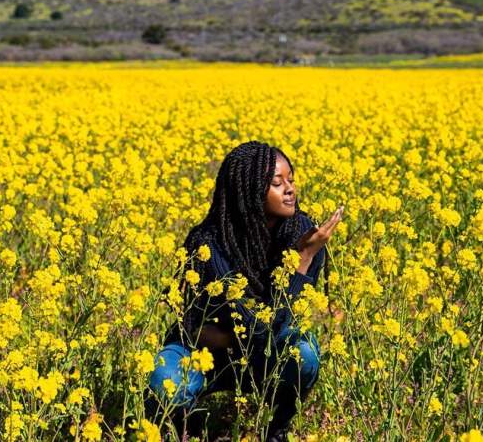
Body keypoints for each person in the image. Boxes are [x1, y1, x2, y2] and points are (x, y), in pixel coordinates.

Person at [145, 141, 343, 441]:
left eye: (291, 179)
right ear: (248, 191)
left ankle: (276, 429)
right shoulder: (209, 244)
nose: (289, 189)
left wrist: (304, 258)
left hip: (257, 353)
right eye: (277, 183)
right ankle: (185, 424)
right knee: (166, 380)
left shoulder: (303, 234)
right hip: (201, 351)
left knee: (304, 353)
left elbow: (282, 321)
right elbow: (254, 325)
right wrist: (301, 260)